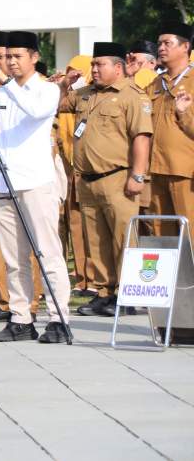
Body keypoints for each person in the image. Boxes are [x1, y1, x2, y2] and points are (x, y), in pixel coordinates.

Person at [0, 31, 71, 343]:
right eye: (7, 56)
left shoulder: (47, 90)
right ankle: (21, 318)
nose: (11, 62)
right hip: (3, 184)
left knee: (47, 253)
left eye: (17, 56)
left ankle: (59, 319)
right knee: (13, 258)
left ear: (34, 57)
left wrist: (5, 83)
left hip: (36, 182)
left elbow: (37, 111)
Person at [61, 42, 152, 317]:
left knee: (123, 238)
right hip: (87, 179)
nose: (94, 69)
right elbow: (56, 105)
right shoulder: (85, 94)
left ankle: (127, 293)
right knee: (96, 239)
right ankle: (103, 292)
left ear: (118, 67)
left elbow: (141, 137)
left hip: (118, 177)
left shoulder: (132, 95)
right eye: (93, 64)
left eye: (100, 64)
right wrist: (65, 84)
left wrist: (137, 175)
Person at [54, 55, 96, 297]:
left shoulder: (91, 97)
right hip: (68, 166)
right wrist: (63, 85)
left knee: (90, 227)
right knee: (74, 224)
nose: (77, 77)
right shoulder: (71, 98)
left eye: (81, 73)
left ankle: (97, 280)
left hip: (89, 167)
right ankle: (82, 278)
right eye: (73, 72)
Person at [148, 22, 194, 237]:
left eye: (167, 43)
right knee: (162, 235)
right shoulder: (156, 83)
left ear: (185, 47)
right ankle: (171, 273)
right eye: (159, 43)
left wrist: (183, 113)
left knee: (190, 232)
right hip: (156, 170)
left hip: (185, 172)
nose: (161, 48)